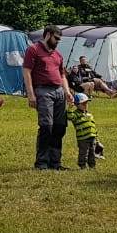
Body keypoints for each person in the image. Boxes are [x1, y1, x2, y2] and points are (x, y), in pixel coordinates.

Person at [22, 25, 73, 170]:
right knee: (46, 127)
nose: (57, 42)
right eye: (56, 38)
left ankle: (55, 163)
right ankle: (42, 163)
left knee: (60, 127)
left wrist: (67, 91)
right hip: (43, 91)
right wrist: (31, 94)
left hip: (59, 92)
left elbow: (62, 75)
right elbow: (27, 72)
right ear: (48, 35)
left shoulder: (57, 55)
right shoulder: (33, 50)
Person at [67, 93, 102, 169]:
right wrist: (70, 108)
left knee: (92, 152)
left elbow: (94, 128)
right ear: (77, 105)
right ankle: (82, 165)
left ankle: (92, 165)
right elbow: (70, 117)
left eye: (86, 103)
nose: (85, 105)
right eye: (83, 104)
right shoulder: (76, 114)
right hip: (83, 138)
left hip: (92, 137)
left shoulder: (89, 115)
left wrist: (97, 139)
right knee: (84, 152)